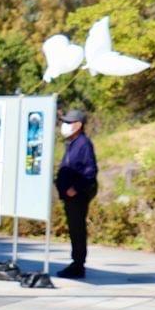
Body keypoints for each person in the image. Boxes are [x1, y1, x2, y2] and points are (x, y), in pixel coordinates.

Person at [54, 107, 98, 279]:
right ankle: (76, 263)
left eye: (68, 122)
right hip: (69, 196)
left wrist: (75, 188)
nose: (64, 125)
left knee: (78, 229)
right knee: (74, 229)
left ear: (78, 125)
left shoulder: (83, 144)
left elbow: (90, 171)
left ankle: (78, 264)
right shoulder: (72, 143)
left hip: (77, 196)